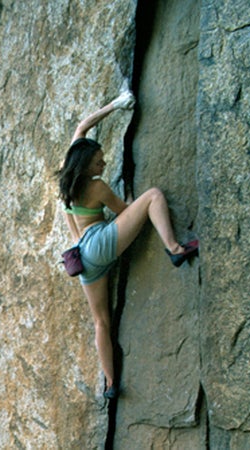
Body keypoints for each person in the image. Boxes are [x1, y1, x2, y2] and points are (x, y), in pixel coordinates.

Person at [57, 91, 198, 399]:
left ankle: (110, 383)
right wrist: (132, 201)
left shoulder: (68, 178)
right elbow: (126, 212)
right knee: (153, 197)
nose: (103, 162)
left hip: (83, 257)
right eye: (98, 161)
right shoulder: (96, 186)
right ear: (87, 164)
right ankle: (174, 249)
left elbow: (82, 128)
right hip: (100, 244)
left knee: (101, 321)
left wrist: (115, 105)